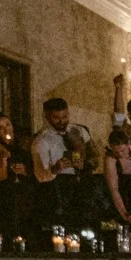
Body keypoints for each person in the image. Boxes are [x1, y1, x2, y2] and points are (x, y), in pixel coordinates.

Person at [31, 98, 96, 233]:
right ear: (47, 116)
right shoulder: (41, 140)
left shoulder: (80, 131)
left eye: (65, 116)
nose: (62, 121)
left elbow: (96, 156)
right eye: (56, 118)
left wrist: (85, 164)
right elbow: (40, 175)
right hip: (58, 190)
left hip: (83, 186)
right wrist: (56, 168)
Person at [0, 112, 30, 246]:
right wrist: (4, 160)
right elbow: (1, 175)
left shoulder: (24, 143)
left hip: (24, 191)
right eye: (0, 128)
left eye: (7, 124)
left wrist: (24, 170)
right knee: (8, 227)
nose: (6, 129)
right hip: (6, 193)